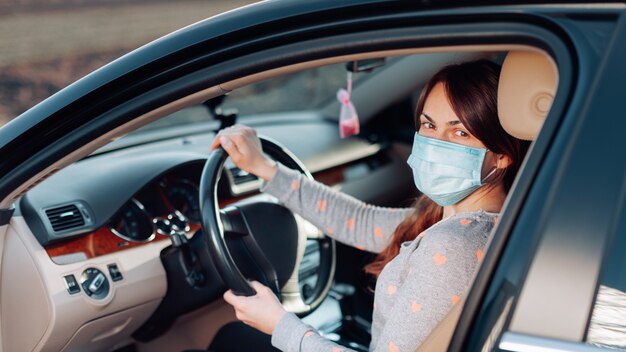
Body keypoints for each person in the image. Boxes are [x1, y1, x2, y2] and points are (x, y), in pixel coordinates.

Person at [210, 59, 530, 352]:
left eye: (460, 132)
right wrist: (265, 168)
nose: (436, 144)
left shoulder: (451, 247)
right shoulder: (478, 222)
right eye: (429, 125)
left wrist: (279, 324)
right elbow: (359, 221)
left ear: (502, 154)